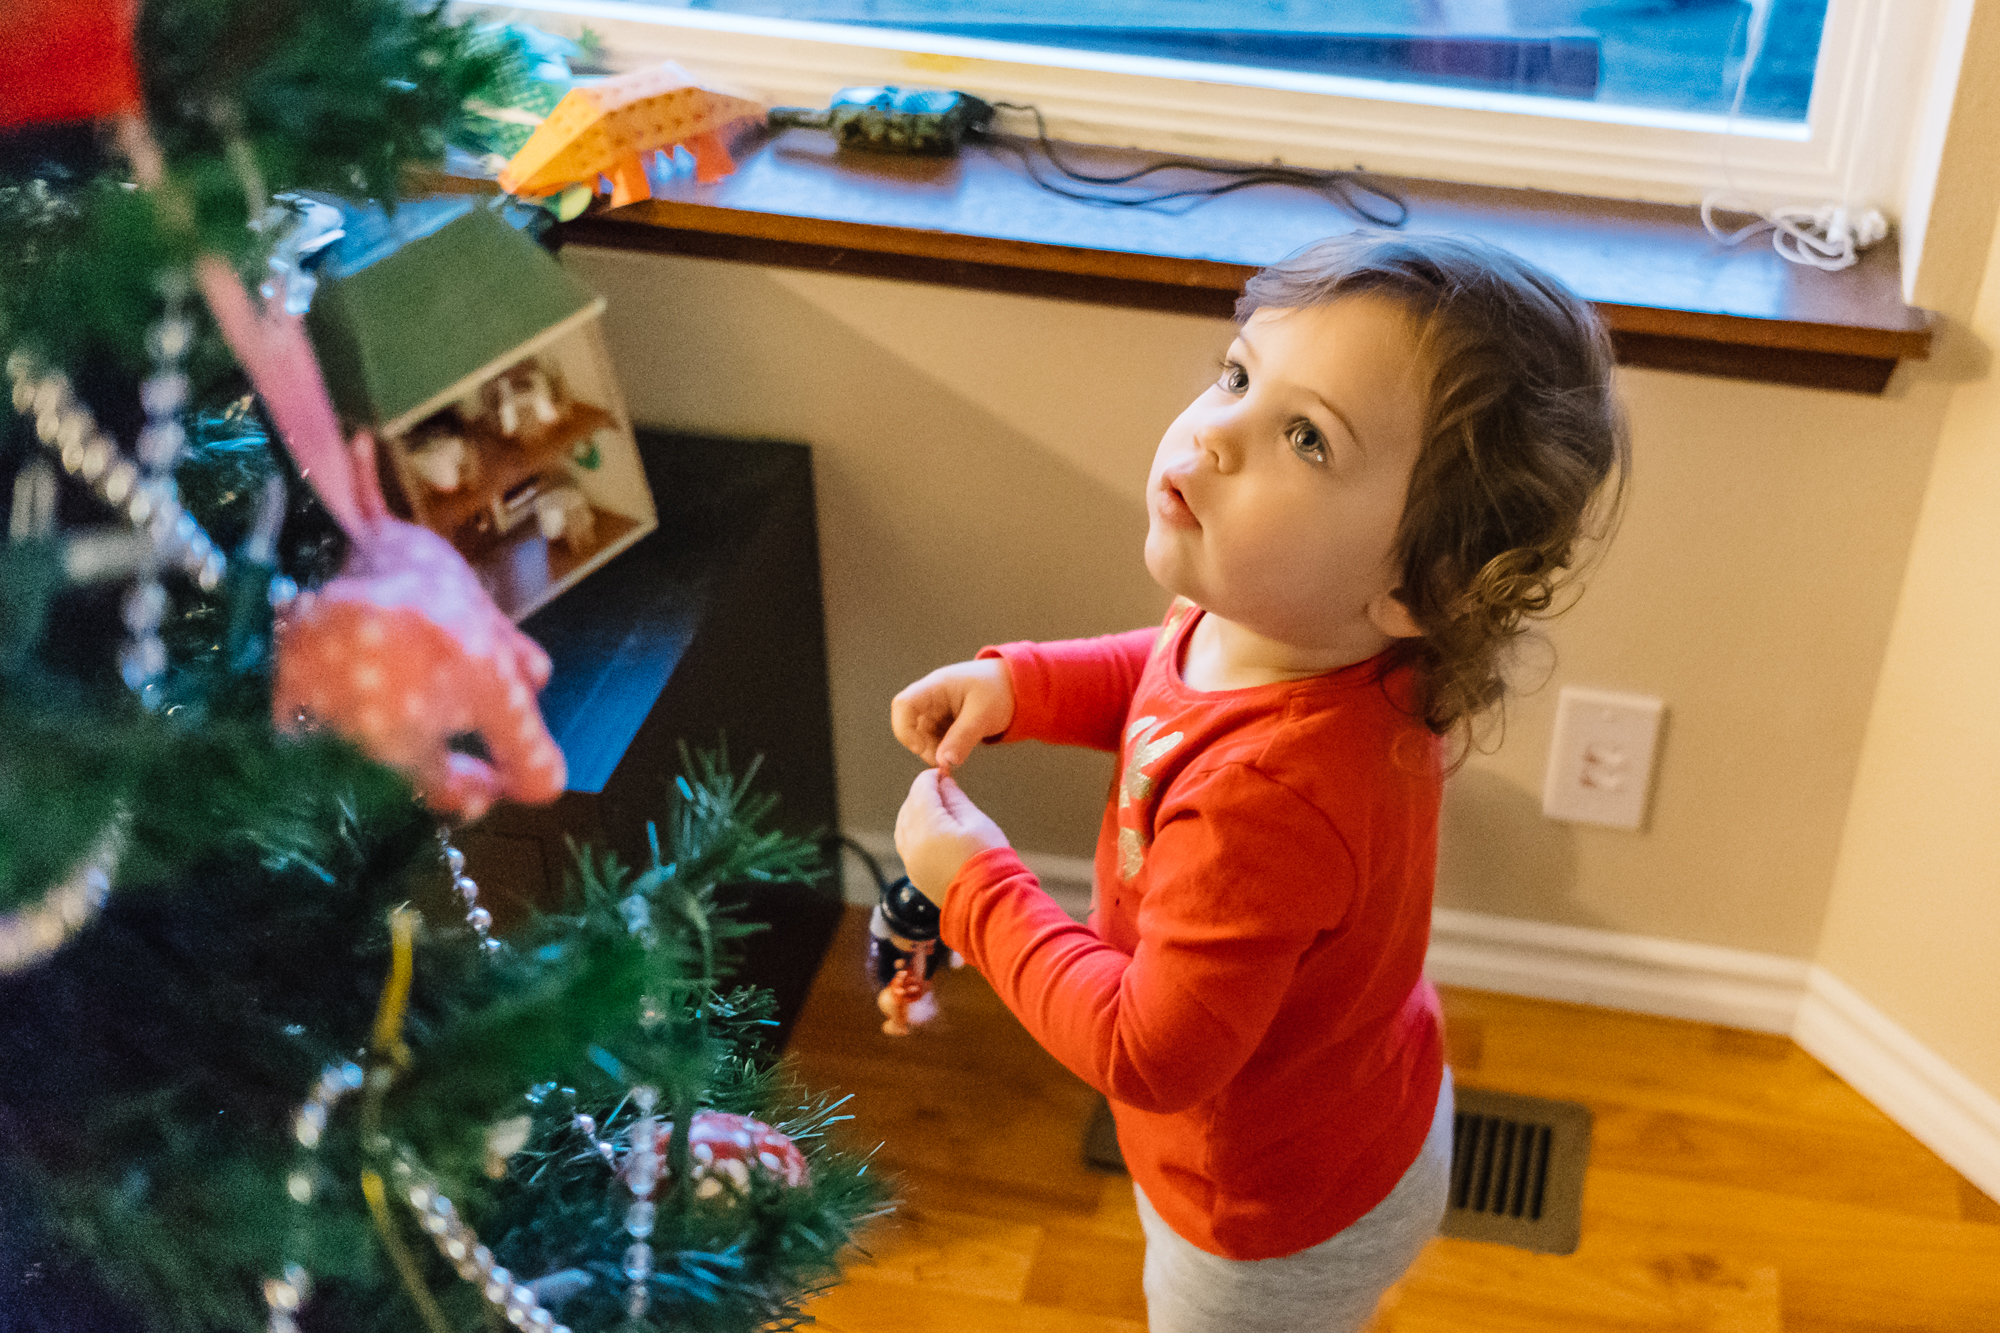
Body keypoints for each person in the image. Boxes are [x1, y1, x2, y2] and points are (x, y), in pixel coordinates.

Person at [889, 231, 1628, 1333]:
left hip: (1263, 1215)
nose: (1215, 430)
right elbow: (1157, 682)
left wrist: (976, 886)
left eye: (1304, 437)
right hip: (1357, 1102)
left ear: (1417, 583)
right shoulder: (1272, 622)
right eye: (1237, 375)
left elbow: (1148, 1050)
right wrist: (1021, 687)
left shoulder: (1268, 799)